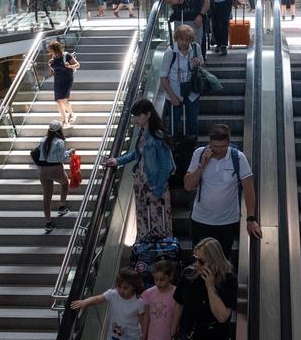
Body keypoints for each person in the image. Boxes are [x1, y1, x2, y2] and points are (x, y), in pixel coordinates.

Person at [184, 124, 261, 255]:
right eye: (215, 146)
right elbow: (188, 186)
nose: (219, 150)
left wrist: (250, 218)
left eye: (223, 146)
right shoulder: (199, 153)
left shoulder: (238, 157)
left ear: (229, 143)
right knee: (200, 263)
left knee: (223, 263)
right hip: (200, 220)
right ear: (209, 143)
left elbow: (249, 189)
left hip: (227, 222)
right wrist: (202, 166)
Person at [105, 100, 175, 240]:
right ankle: (148, 254)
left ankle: (160, 258)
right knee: (144, 221)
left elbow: (165, 166)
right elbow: (136, 153)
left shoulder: (158, 136)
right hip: (142, 186)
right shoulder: (143, 132)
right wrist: (118, 160)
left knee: (158, 224)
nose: (135, 120)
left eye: (138, 116)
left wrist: (158, 191)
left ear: (148, 114)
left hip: (154, 187)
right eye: (135, 116)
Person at [172, 238, 238, 340]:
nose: (197, 264)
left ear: (214, 261)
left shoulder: (228, 280)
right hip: (187, 334)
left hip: (214, 335)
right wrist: (173, 333)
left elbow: (222, 317)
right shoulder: (189, 274)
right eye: (195, 259)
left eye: (201, 261)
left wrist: (210, 287)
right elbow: (179, 304)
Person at [70, 268, 145, 340]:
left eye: (125, 288)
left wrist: (144, 335)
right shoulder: (113, 294)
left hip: (131, 337)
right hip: (113, 335)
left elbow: (142, 321)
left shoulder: (138, 302)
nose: (121, 290)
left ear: (134, 287)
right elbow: (96, 299)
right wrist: (85, 302)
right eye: (119, 286)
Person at [35, 121, 72, 234]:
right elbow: (61, 158)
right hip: (55, 168)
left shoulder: (42, 140)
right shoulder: (59, 142)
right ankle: (62, 206)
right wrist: (69, 153)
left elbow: (38, 153)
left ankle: (48, 222)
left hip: (42, 170)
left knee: (47, 196)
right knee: (65, 183)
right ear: (59, 130)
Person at [140, 260, 177, 340]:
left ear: (170, 276)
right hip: (152, 336)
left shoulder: (176, 293)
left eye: (162, 279)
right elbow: (146, 317)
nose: (158, 283)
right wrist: (143, 335)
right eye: (156, 279)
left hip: (168, 336)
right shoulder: (148, 293)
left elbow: (176, 318)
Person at [48, 40, 80, 126]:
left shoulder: (67, 55)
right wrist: (50, 65)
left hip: (67, 79)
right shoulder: (53, 57)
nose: (50, 51)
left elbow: (77, 65)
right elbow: (54, 70)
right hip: (57, 80)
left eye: (51, 49)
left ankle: (71, 114)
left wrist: (70, 66)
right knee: (58, 101)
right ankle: (64, 120)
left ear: (56, 49)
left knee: (64, 99)